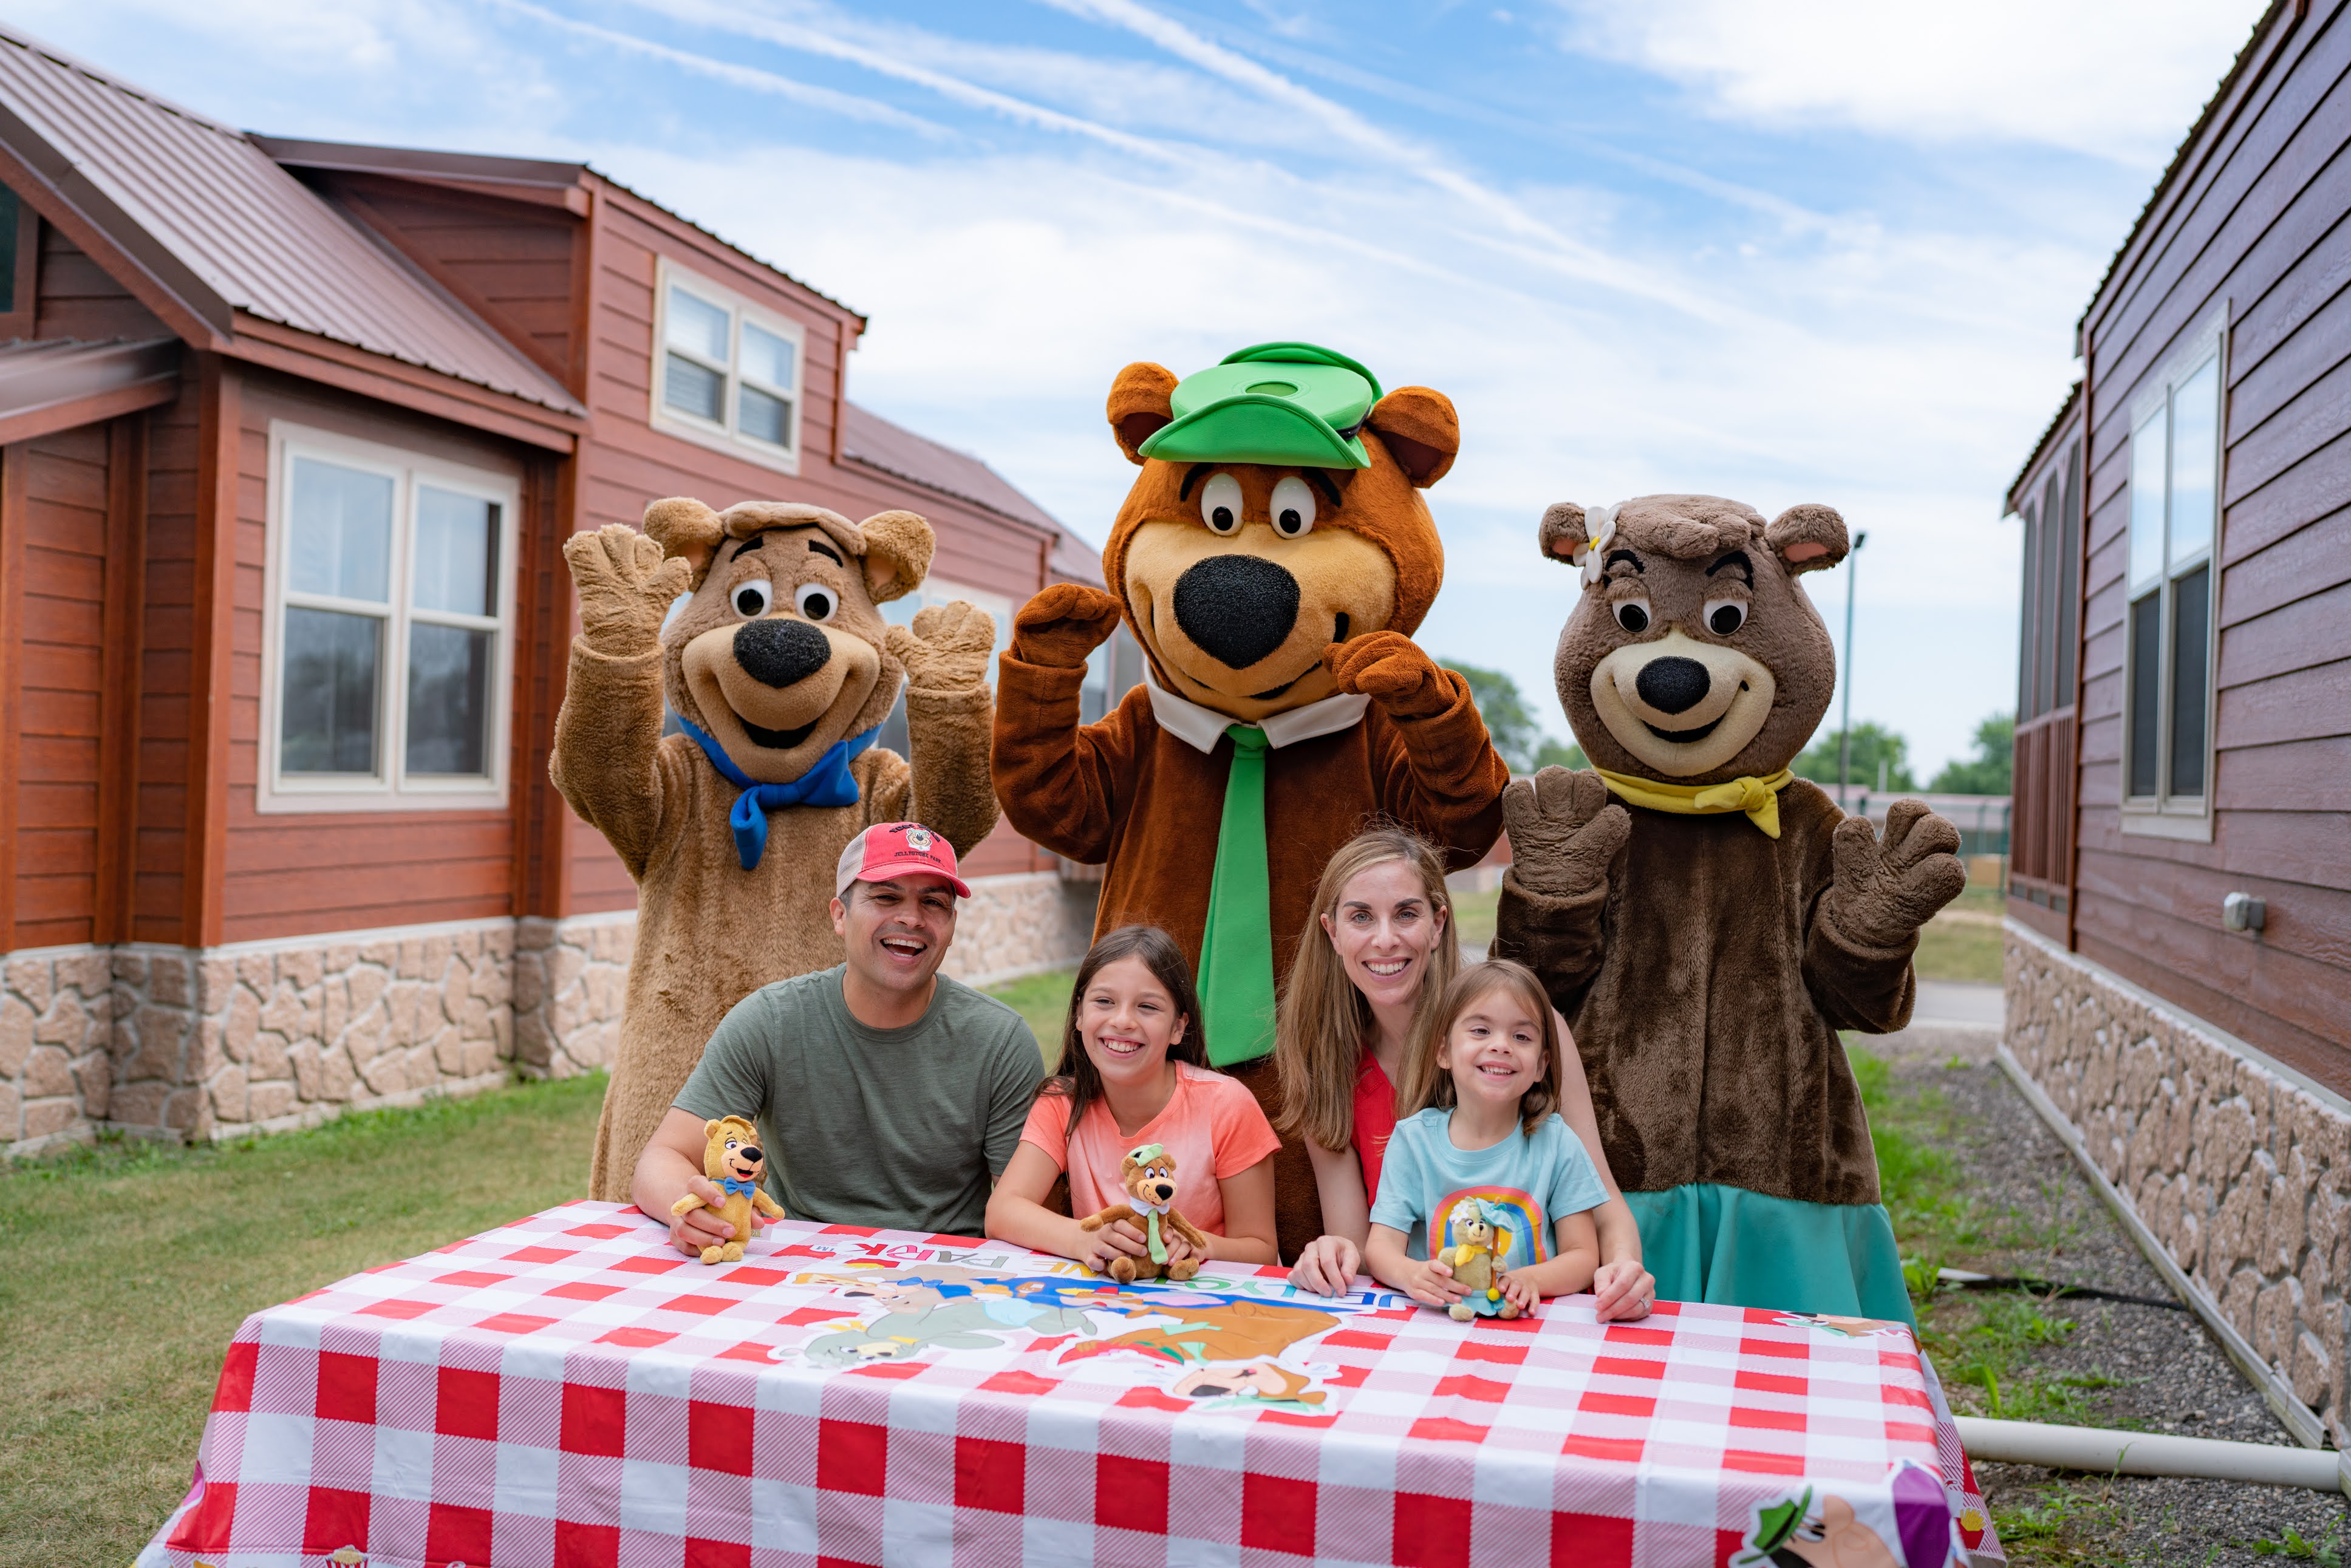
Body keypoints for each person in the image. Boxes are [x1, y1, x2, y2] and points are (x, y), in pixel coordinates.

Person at [1276, 827, 1654, 1318]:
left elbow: (1601, 1200)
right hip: (1425, 1315)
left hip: (1534, 1310)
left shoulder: (1524, 1037)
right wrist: (1330, 1256)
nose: (1385, 939)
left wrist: (1625, 1268)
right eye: (1361, 917)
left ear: (1437, 924)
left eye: (1406, 914)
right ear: (1332, 932)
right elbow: (1359, 1247)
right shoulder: (1325, 1062)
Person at [632, 821, 1044, 1257]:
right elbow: (661, 1159)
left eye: (933, 902)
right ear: (840, 916)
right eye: (886, 897)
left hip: (947, 1270)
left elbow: (1030, 1206)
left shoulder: (1000, 1041)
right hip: (801, 1264)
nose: (911, 917)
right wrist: (693, 1208)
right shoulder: (771, 1021)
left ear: (951, 924)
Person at [986, 925, 1280, 1273]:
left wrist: (1202, 1245)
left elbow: (1261, 1249)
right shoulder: (1061, 1103)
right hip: (1109, 1303)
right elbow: (1002, 1212)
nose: (1122, 1021)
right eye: (1105, 1001)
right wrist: (1082, 1238)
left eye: (1147, 1007)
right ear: (1079, 1014)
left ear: (1178, 1027)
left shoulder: (1227, 1105)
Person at [1364, 960, 1606, 1317]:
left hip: (1531, 1329)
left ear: (1541, 1066)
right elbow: (1381, 1247)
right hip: (1435, 1328)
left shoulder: (1557, 1144)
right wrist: (1410, 1274)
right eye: (1480, 1031)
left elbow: (1584, 1255)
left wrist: (1532, 1280)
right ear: (1443, 1051)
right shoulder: (1413, 1142)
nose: (1501, 1046)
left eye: (1521, 1036)